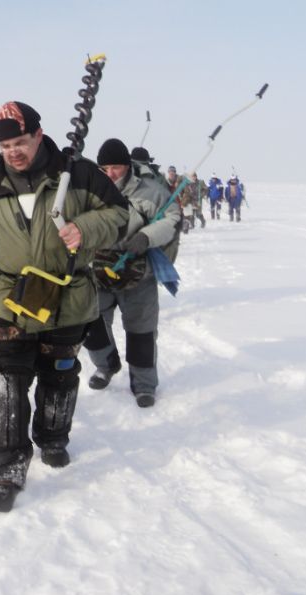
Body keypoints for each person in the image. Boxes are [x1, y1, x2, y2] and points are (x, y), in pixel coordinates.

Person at [0, 101, 129, 512]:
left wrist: (85, 228)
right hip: (7, 300)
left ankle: (52, 437)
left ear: (38, 134)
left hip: (67, 298)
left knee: (59, 374)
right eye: (5, 146)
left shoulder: (79, 175)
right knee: (2, 382)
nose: (13, 152)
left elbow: (120, 216)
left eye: (20, 142)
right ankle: (6, 469)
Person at [84, 138, 181, 408]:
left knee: (141, 332)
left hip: (138, 274)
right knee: (89, 324)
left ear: (127, 166)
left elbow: (172, 218)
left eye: (115, 167)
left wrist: (146, 237)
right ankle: (106, 365)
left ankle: (144, 385)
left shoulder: (151, 191)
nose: (110, 174)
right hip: (98, 271)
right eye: (104, 168)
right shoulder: (89, 191)